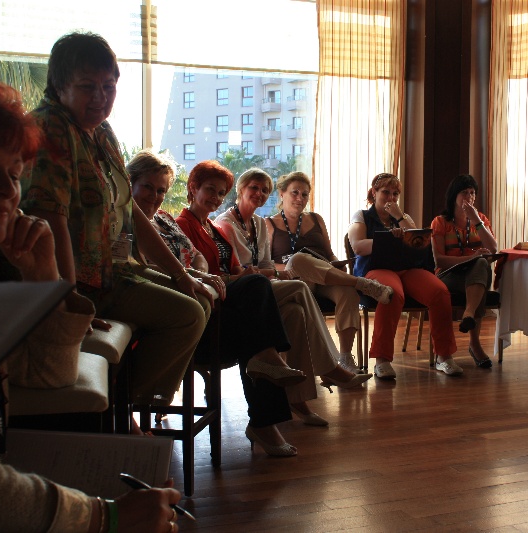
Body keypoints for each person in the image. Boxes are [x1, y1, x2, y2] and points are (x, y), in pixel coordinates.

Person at [0, 74, 182, 533]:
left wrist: (43, 277)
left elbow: (50, 375)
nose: (8, 190)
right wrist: (107, 516)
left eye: (15, 173)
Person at [19, 32, 212, 409]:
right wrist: (67, 297)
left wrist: (180, 274)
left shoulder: (101, 132)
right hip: (81, 280)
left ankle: (137, 403)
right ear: (59, 85)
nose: (100, 97)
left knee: (199, 298)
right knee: (187, 315)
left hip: (115, 268)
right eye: (87, 86)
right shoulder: (50, 128)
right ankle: (125, 411)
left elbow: (130, 210)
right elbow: (50, 219)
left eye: (108, 87)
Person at [128, 151, 305, 456]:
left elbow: (197, 258)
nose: (155, 196)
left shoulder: (166, 220)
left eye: (161, 190)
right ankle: (267, 416)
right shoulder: (130, 223)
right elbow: (147, 266)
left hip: (209, 304)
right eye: (147, 187)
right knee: (259, 307)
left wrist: (196, 272)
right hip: (186, 321)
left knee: (269, 319)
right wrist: (191, 274)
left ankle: (268, 380)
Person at [186, 164, 372, 427]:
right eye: (254, 188)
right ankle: (330, 367)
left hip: (257, 285)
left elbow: (256, 265)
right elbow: (226, 271)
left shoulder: (250, 224)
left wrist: (264, 272)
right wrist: (265, 272)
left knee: (295, 312)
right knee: (298, 286)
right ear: (240, 190)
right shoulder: (221, 224)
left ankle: (298, 401)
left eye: (264, 190)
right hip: (240, 294)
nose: (259, 193)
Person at [265, 171, 393, 372]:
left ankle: (345, 358)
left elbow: (330, 253)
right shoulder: (270, 224)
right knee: (298, 259)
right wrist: (291, 265)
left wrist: (337, 264)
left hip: (325, 276)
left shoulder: (316, 219)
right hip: (295, 279)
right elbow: (268, 264)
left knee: (348, 293)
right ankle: (361, 283)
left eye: (304, 194)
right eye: (295, 192)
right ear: (282, 194)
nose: (300, 198)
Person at [347, 172, 461, 379]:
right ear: (374, 193)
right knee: (391, 293)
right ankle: (382, 360)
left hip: (407, 269)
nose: (390, 198)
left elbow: (418, 242)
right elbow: (358, 246)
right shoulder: (362, 216)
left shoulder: (403, 218)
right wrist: (387, 238)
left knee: (439, 292)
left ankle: (444, 356)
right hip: (376, 269)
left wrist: (399, 218)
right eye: (386, 192)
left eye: (395, 194)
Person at [431, 174, 498, 368]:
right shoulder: (440, 222)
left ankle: (468, 314)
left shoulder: (481, 219)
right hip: (448, 275)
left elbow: (493, 249)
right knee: (479, 269)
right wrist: (471, 257)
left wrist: (476, 220)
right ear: (454, 196)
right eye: (464, 193)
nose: (469, 197)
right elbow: (440, 260)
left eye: (472, 193)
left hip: (474, 275)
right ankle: (474, 344)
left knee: (481, 265)